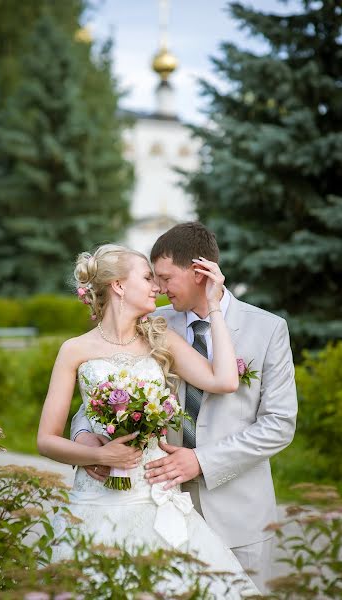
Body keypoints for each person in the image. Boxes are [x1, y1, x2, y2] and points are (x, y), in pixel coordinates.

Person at [71, 224, 298, 594]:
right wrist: (85, 437)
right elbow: (102, 387)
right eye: (153, 279)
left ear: (199, 272)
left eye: (164, 277)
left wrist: (202, 460)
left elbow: (278, 425)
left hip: (239, 514)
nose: (157, 288)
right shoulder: (152, 324)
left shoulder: (267, 329)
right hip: (157, 505)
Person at [38, 243, 259, 597]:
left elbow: (225, 381)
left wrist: (215, 306)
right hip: (98, 500)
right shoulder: (75, 350)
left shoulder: (161, 339)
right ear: (119, 287)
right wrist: (98, 454)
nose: (156, 286)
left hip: (156, 493)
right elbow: (46, 439)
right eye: (147, 277)